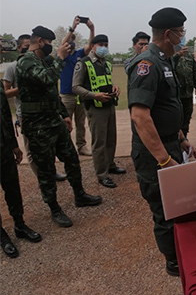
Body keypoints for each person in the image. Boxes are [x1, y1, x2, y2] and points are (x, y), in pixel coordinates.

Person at [127, 7, 196, 277]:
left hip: (169, 145)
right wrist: (164, 160)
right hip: (153, 154)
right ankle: (173, 261)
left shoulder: (165, 61)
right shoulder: (147, 64)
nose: (183, 36)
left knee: (177, 204)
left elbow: (165, 107)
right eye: (181, 32)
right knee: (163, 209)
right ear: (169, 34)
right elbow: (140, 116)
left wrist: (181, 139)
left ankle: (180, 251)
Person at [15, 26, 102, 228]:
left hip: (54, 121)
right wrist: (60, 58)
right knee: (46, 169)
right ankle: (54, 208)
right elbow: (48, 79)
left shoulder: (42, 61)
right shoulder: (26, 62)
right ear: (39, 42)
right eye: (48, 43)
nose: (51, 47)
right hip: (37, 126)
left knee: (71, 158)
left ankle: (79, 195)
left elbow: (51, 93)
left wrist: (64, 114)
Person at [3, 35, 68, 181]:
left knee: (47, 147)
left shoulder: (39, 63)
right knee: (32, 149)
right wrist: (24, 87)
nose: (28, 49)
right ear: (19, 48)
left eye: (29, 46)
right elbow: (5, 93)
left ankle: (50, 172)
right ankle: (42, 177)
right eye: (25, 46)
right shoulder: (12, 67)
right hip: (25, 113)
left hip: (43, 113)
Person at [72, 33, 125, 189]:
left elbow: (105, 81)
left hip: (109, 105)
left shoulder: (106, 63)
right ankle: (102, 174)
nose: (104, 47)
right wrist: (94, 95)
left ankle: (110, 164)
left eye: (106, 44)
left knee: (111, 138)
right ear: (93, 46)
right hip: (95, 107)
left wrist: (114, 87)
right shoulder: (84, 63)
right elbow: (75, 87)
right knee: (99, 142)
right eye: (100, 44)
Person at [1, 70, 42, 258]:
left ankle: (19, 224)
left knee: (13, 189)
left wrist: (14, 145)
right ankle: (2, 236)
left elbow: (4, 115)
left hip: (3, 148)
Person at [59, 16, 94, 156]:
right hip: (66, 95)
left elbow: (91, 45)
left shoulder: (79, 53)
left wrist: (92, 29)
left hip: (80, 94)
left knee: (81, 123)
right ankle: (66, 149)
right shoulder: (63, 56)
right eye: (69, 41)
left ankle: (81, 147)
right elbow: (62, 43)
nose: (70, 44)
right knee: (65, 124)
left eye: (72, 41)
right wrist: (73, 27)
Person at [172, 43, 196, 137]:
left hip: (188, 93)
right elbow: (168, 66)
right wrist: (177, 55)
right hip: (176, 94)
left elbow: (194, 71)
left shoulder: (189, 55)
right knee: (176, 118)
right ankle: (176, 140)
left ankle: (185, 138)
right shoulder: (169, 54)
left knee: (187, 116)